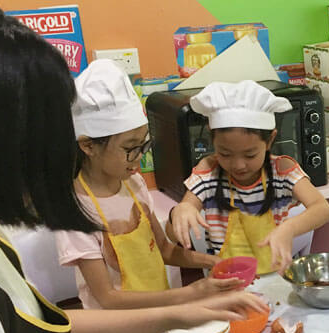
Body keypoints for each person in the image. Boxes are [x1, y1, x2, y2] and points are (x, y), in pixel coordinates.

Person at [0, 2, 266, 333]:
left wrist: (179, 313)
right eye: (47, 137)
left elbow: (47, 332)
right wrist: (182, 304)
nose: (57, 159)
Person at [55, 59, 241, 310]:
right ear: (88, 146)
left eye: (144, 145)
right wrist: (191, 293)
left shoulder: (134, 184)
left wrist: (212, 262)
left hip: (157, 316)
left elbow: (164, 249)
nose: (140, 159)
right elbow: (108, 298)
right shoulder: (74, 211)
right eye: (130, 149)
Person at [169, 80, 329, 274]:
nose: (238, 165)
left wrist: (289, 228)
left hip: (275, 278)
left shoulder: (282, 170)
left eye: (250, 155)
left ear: (270, 140)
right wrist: (181, 211)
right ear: (212, 140)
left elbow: (324, 209)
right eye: (225, 154)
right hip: (226, 282)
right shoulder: (208, 172)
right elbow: (173, 233)